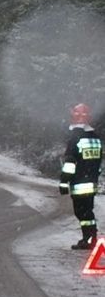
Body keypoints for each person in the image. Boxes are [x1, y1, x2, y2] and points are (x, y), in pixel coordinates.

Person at [59, 103, 102, 250]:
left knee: (81, 212)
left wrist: (64, 182)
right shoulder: (95, 137)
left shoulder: (75, 138)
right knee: (87, 210)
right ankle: (91, 237)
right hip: (92, 182)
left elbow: (70, 163)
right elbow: (97, 161)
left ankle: (89, 239)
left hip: (79, 182)